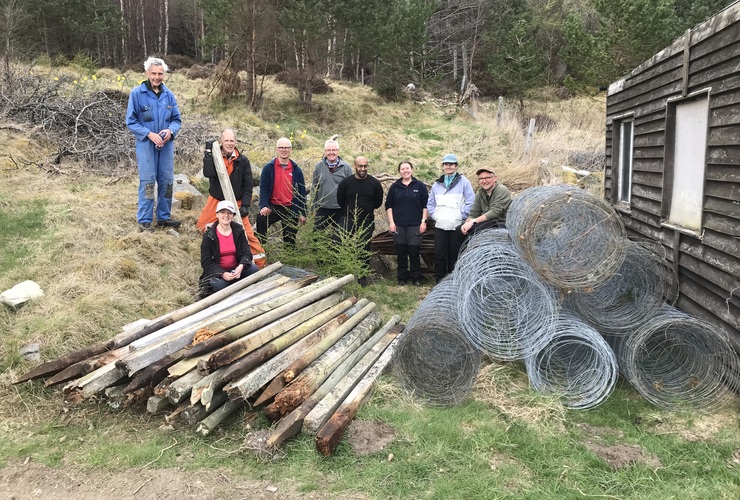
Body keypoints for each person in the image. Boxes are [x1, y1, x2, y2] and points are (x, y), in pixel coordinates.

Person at [126, 57, 182, 232]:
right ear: (147, 73)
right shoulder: (137, 94)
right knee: (148, 182)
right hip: (146, 146)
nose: (157, 77)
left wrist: (170, 131)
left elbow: (176, 120)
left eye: (160, 73)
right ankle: (145, 220)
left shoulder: (169, 95)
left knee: (167, 181)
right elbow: (131, 121)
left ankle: (164, 217)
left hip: (165, 146)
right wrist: (149, 134)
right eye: (154, 73)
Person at [195, 129, 266, 268]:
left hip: (236, 202)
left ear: (236, 142)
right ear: (221, 141)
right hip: (216, 200)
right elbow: (208, 173)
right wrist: (208, 154)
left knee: (248, 235)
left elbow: (248, 185)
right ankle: (216, 256)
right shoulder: (215, 156)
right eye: (226, 140)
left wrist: (245, 205)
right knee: (202, 226)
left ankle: (260, 265)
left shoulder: (242, 160)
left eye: (232, 141)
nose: (229, 143)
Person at [426, 153, 475, 282]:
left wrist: (461, 215)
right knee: (439, 254)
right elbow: (430, 203)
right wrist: (435, 215)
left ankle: (453, 281)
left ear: (456, 166)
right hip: (441, 224)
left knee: (455, 254)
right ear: (443, 166)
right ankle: (440, 281)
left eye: (451, 164)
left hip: (457, 225)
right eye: (446, 164)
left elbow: (471, 201)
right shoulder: (437, 184)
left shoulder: (464, 182)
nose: (448, 166)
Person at [336, 157, 384, 287]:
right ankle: (341, 274)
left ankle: (362, 277)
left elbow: (378, 202)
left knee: (364, 248)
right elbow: (340, 200)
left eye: (365, 166)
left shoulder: (374, 183)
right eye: (360, 166)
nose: (363, 169)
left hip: (366, 221)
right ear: (355, 166)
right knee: (339, 243)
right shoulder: (346, 182)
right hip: (348, 219)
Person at [199, 200, 259, 297]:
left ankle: (241, 289)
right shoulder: (209, 235)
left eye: (229, 213)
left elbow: (246, 252)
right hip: (218, 273)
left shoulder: (238, 230)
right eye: (223, 212)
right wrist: (222, 273)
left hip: (236, 270)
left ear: (233, 215)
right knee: (219, 285)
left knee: (254, 270)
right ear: (217, 214)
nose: (226, 216)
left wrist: (241, 266)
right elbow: (206, 261)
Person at [256, 137, 307, 246]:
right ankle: (261, 251)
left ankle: (288, 260)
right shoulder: (269, 168)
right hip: (273, 206)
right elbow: (264, 188)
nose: (284, 150)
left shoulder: (296, 170)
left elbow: (301, 193)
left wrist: (303, 213)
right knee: (261, 219)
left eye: (287, 148)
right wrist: (264, 206)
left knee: (290, 240)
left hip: (290, 208)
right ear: (277, 149)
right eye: (281, 147)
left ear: (291, 150)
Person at [385, 161, 429, 286]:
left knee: (414, 252)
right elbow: (389, 206)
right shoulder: (395, 186)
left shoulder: (419, 186)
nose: (405, 171)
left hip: (415, 224)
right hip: (399, 225)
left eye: (407, 168)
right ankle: (402, 278)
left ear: (412, 170)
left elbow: (425, 206)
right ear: (399, 171)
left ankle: (416, 278)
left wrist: (423, 222)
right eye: (402, 169)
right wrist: (391, 222)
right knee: (401, 252)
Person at [311, 139, 352, 231]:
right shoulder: (319, 166)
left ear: (338, 151)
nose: (331, 152)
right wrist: (313, 208)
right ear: (325, 152)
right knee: (315, 237)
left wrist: (350, 209)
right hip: (322, 208)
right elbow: (314, 188)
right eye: (328, 150)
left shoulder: (346, 168)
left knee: (340, 237)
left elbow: (351, 190)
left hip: (340, 209)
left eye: (334, 150)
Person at [460, 167, 512, 236]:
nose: (484, 181)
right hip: (487, 222)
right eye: (481, 179)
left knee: (474, 230)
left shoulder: (502, 190)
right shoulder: (480, 193)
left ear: (495, 178)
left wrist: (473, 221)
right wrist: (467, 223)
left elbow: (495, 212)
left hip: (502, 222)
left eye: (487, 178)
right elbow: (474, 213)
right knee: (460, 230)